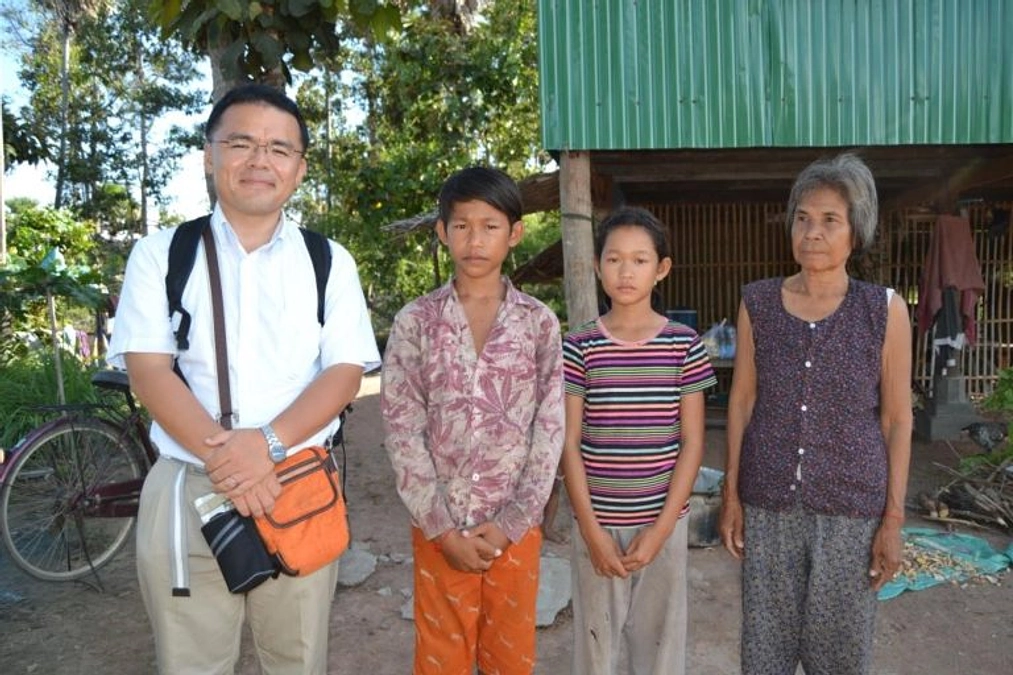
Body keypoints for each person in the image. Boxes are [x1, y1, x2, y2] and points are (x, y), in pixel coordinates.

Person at [107, 84, 381, 674]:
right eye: (241, 143)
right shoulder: (161, 254)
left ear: (299, 169)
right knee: (190, 663)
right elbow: (149, 371)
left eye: (279, 149)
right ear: (210, 155)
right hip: (188, 489)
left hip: (298, 487)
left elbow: (344, 372)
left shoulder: (328, 261)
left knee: (298, 661)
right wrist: (232, 463)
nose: (260, 160)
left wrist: (267, 446)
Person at [719, 153, 913, 675]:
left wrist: (893, 521)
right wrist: (731, 493)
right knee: (765, 654)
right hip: (768, 505)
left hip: (852, 511)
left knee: (841, 658)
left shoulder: (884, 311)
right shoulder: (758, 303)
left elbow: (897, 420)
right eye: (802, 218)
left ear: (856, 232)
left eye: (830, 220)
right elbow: (742, 401)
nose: (812, 233)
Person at [380, 166, 564, 675]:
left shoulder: (538, 323)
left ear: (515, 233)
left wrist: (511, 523)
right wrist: (441, 528)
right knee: (441, 658)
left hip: (515, 530)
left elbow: (551, 429)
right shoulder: (416, 322)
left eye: (490, 226)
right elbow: (401, 429)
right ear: (443, 232)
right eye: (462, 226)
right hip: (438, 529)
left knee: (510, 658)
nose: (475, 240)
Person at [561, 206, 716, 675]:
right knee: (595, 650)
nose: (625, 272)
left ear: (661, 268)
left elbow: (692, 442)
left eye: (639, 260)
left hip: (662, 523)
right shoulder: (579, 345)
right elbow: (569, 444)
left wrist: (661, 530)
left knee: (660, 649)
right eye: (614, 259)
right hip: (597, 524)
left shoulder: (683, 345)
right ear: (597, 265)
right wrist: (591, 533)